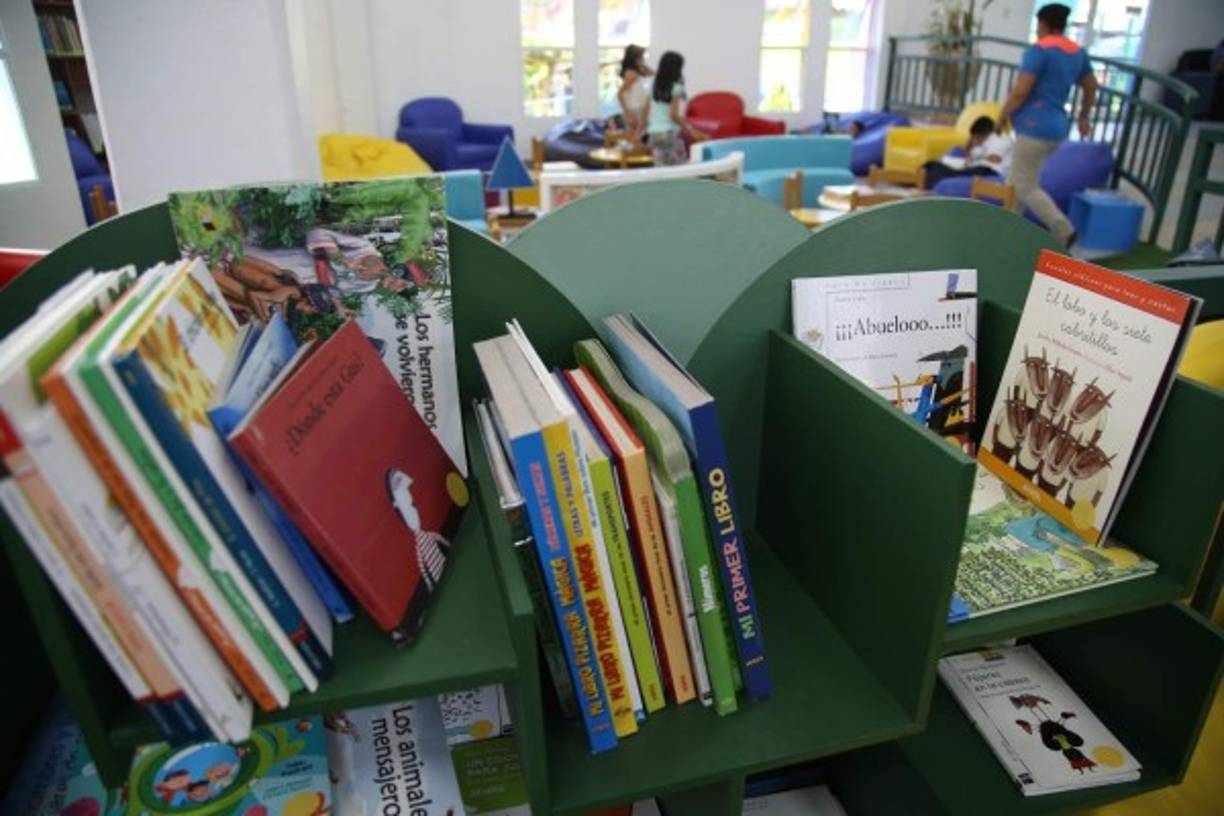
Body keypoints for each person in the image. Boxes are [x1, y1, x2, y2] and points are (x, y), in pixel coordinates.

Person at [998, 3, 1098, 247]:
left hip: (1034, 126)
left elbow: (1021, 91)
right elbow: (1091, 86)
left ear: (1042, 24)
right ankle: (1005, 232)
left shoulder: (1039, 50)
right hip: (1056, 127)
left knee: (1025, 185)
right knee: (1018, 181)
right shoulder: (1077, 52)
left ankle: (1063, 229)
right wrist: (1084, 117)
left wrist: (1001, 116)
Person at [647, 51, 706, 166]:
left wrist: (639, 130)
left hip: (654, 134)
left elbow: (646, 111)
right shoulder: (676, 87)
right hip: (669, 133)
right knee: (679, 171)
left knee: (661, 171)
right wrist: (689, 129)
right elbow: (673, 115)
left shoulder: (653, 86)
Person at [921, 116, 1013, 188]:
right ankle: (921, 178)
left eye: (975, 137)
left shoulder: (1000, 139)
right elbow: (968, 156)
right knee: (931, 165)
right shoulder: (982, 144)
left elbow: (995, 159)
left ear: (981, 134)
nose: (973, 140)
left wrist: (974, 157)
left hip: (989, 172)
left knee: (942, 173)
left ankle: (924, 181)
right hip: (977, 169)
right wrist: (970, 145)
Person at [617, 44, 652, 138]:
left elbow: (655, 74)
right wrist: (627, 111)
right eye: (641, 57)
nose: (643, 59)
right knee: (634, 139)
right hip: (634, 110)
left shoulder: (640, 72)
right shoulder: (631, 74)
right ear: (635, 59)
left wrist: (643, 65)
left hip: (641, 109)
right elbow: (620, 93)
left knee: (641, 139)